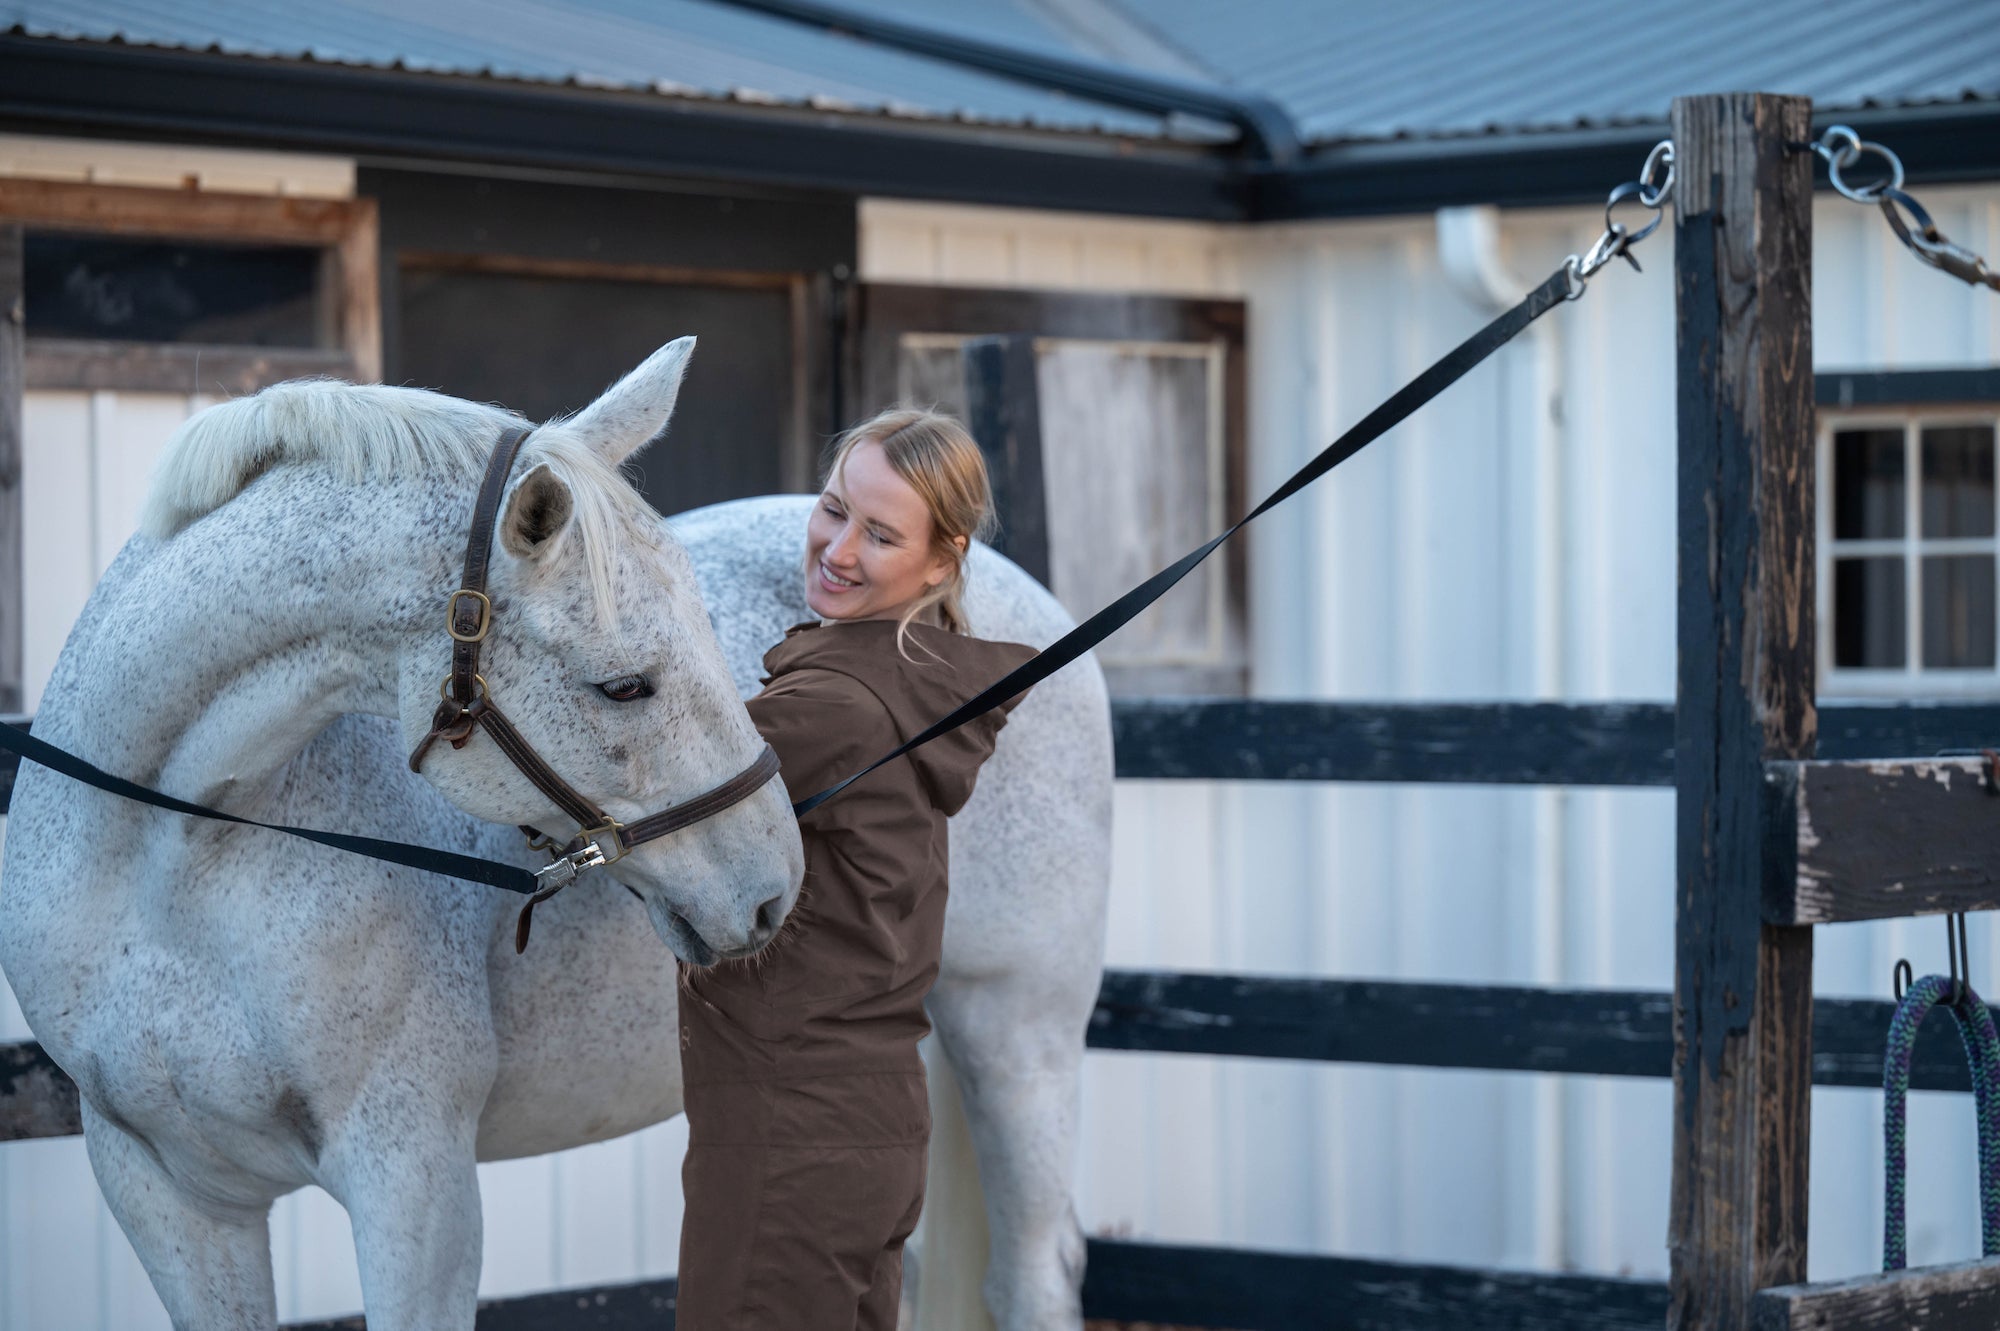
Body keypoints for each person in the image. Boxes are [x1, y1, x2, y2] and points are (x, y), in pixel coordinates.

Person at [674, 408, 1039, 1329]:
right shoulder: (902, 680)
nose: (837, 548)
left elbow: (654, 790)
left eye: (880, 534)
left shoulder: (833, 704)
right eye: (834, 510)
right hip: (867, 1120)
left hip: (790, 1128)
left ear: (942, 558)